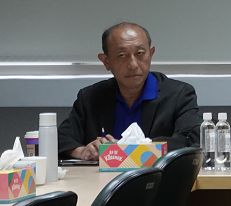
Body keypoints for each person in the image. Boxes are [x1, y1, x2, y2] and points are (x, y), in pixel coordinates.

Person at [58, 22, 200, 159]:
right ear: (106, 61)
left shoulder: (179, 95)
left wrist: (131, 148)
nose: (133, 64)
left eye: (140, 53)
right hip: (98, 176)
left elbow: (192, 139)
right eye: (122, 55)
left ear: (151, 54)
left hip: (157, 175)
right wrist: (82, 152)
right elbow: (60, 139)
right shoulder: (91, 97)